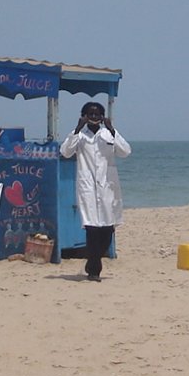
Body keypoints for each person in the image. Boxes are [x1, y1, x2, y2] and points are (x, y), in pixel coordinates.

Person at [60, 102, 131, 282]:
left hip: (107, 188)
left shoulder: (108, 134)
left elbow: (125, 152)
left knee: (107, 231)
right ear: (83, 115)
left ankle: (93, 260)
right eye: (90, 114)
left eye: (97, 114)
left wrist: (112, 129)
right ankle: (94, 271)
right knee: (92, 230)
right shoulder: (79, 136)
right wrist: (77, 129)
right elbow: (66, 152)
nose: (94, 117)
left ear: (103, 116)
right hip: (88, 189)